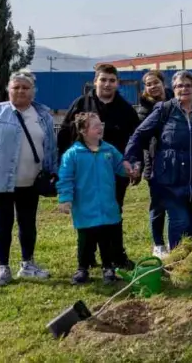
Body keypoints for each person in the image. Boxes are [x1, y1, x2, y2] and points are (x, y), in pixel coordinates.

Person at [0, 70, 57, 287]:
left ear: (33, 91)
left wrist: (54, 173)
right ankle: (3, 269)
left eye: (25, 87)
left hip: (31, 183)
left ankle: (28, 265)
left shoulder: (43, 115)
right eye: (16, 87)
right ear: (9, 90)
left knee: (28, 225)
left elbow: (51, 148)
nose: (20, 91)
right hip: (0, 183)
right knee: (3, 225)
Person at [125, 71, 192, 249]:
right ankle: (179, 262)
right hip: (171, 178)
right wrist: (132, 159)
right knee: (180, 220)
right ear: (174, 89)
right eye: (179, 85)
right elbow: (139, 135)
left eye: (188, 85)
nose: (184, 89)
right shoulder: (164, 109)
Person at [58, 63, 140, 268]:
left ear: (117, 83)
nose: (107, 84)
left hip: (114, 172)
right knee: (87, 215)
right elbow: (64, 136)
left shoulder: (126, 109)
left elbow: (137, 139)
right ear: (95, 82)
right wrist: (64, 167)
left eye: (112, 80)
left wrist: (134, 165)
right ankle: (88, 257)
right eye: (103, 79)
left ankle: (116, 256)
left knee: (113, 213)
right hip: (83, 174)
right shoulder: (80, 105)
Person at [57, 112, 133, 285]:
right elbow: (65, 178)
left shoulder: (109, 149)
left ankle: (109, 268)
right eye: (95, 126)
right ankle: (83, 268)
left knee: (107, 238)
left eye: (101, 124)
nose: (101, 128)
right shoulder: (72, 154)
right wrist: (65, 198)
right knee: (86, 239)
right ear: (83, 130)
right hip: (85, 207)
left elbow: (120, 165)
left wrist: (128, 168)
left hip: (107, 205)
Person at [138, 70, 169, 259]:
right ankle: (158, 244)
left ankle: (175, 241)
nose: (153, 87)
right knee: (158, 206)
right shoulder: (144, 109)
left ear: (163, 83)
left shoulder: (175, 99)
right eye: (149, 84)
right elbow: (143, 138)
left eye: (155, 82)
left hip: (177, 161)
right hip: (155, 161)